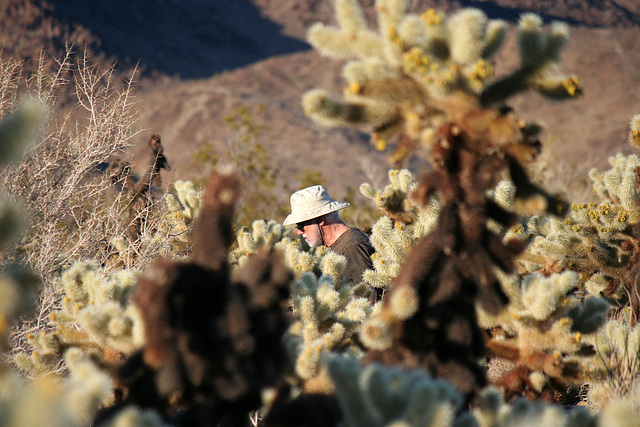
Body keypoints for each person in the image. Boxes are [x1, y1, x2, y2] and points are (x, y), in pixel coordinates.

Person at [283, 185, 381, 302]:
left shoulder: (352, 247)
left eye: (301, 225)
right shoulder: (338, 245)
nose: (299, 232)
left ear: (320, 220)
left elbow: (365, 303)